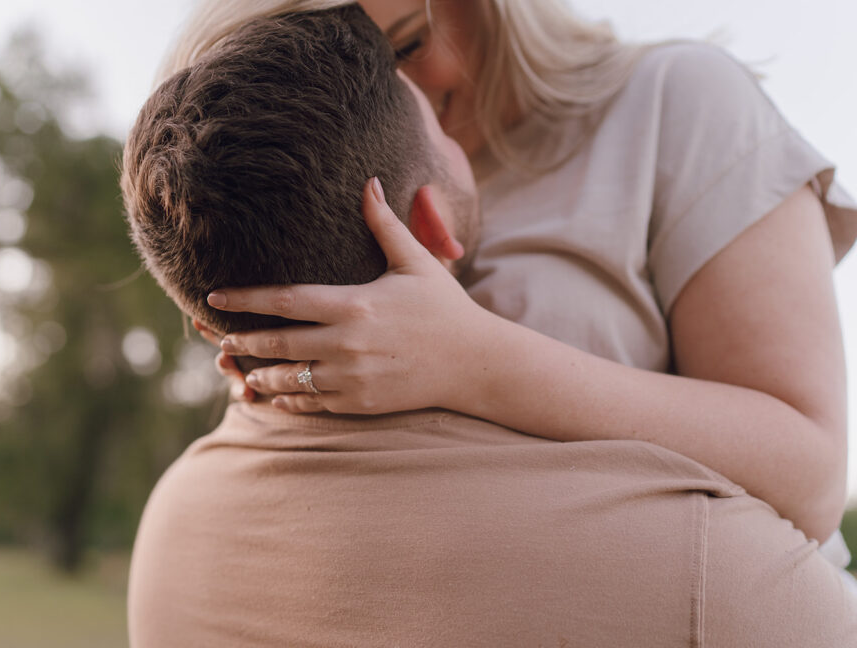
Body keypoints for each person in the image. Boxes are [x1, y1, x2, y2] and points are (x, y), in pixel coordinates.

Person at [122, 6, 857, 645]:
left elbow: (812, 473)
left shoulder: (674, 102)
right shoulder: (310, 155)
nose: (395, 89)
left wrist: (481, 360)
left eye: (404, 46)